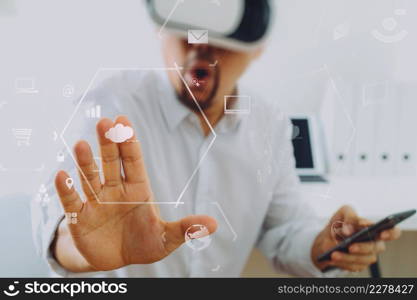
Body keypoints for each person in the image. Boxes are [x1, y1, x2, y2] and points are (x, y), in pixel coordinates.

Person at [37, 5, 401, 278]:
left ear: (257, 47)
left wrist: (325, 244)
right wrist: (83, 249)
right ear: (162, 31)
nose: (201, 52)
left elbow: (285, 231)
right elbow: (60, 222)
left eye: (222, 44)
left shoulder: (268, 125)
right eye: (187, 36)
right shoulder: (106, 107)